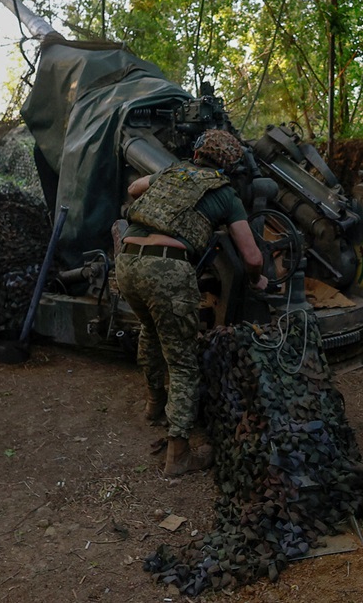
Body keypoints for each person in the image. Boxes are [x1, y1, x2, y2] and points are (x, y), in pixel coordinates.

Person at [115, 129, 268, 477]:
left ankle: (154, 405)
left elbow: (134, 189)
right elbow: (252, 255)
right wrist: (256, 277)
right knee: (183, 362)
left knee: (150, 332)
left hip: (127, 261)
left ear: (198, 153)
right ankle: (179, 453)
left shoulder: (173, 171)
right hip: (166, 268)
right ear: (230, 165)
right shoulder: (226, 193)